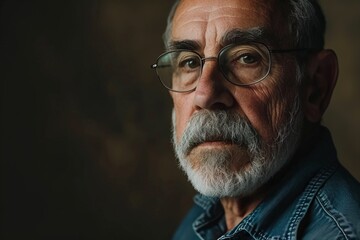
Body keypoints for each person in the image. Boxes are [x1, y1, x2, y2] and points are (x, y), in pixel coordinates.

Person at [151, 0, 360, 239]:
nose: (205, 94)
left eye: (247, 58)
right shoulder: (202, 220)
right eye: (189, 62)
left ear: (315, 87)